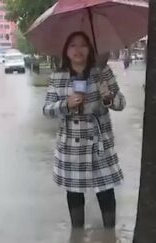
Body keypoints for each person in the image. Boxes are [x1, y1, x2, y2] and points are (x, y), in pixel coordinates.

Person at [42, 31, 126, 229]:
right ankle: (77, 237)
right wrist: (66, 104)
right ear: (66, 51)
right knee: (74, 191)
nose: (78, 50)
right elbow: (47, 110)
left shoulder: (102, 72)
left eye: (83, 45)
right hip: (71, 145)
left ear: (90, 49)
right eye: (73, 45)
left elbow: (121, 103)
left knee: (105, 189)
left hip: (99, 142)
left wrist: (108, 98)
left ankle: (109, 238)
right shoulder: (58, 76)